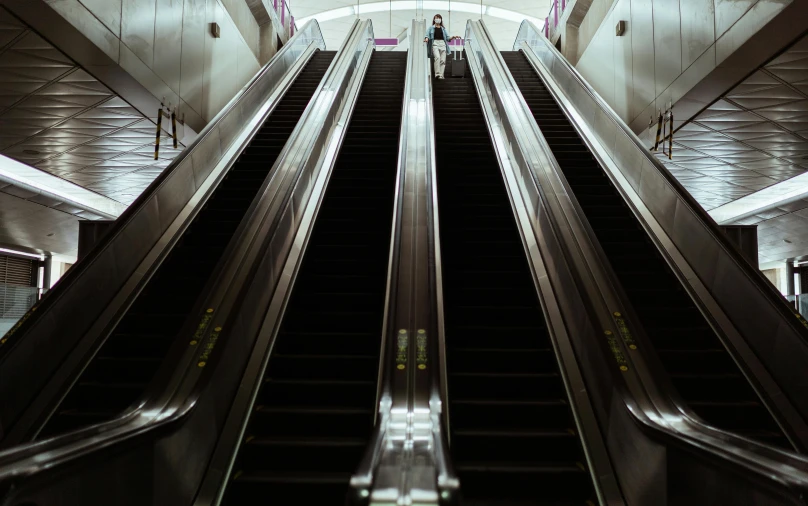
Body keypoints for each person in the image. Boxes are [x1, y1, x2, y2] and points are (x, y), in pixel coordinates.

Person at [424, 14, 461, 79]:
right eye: (436, 18)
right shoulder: (431, 28)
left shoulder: (443, 29)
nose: (438, 19)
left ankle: (441, 75)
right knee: (437, 57)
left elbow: (448, 38)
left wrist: (454, 37)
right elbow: (427, 35)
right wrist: (426, 39)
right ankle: (437, 74)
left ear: (441, 20)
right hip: (435, 43)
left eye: (439, 18)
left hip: (443, 44)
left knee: (443, 60)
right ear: (434, 19)